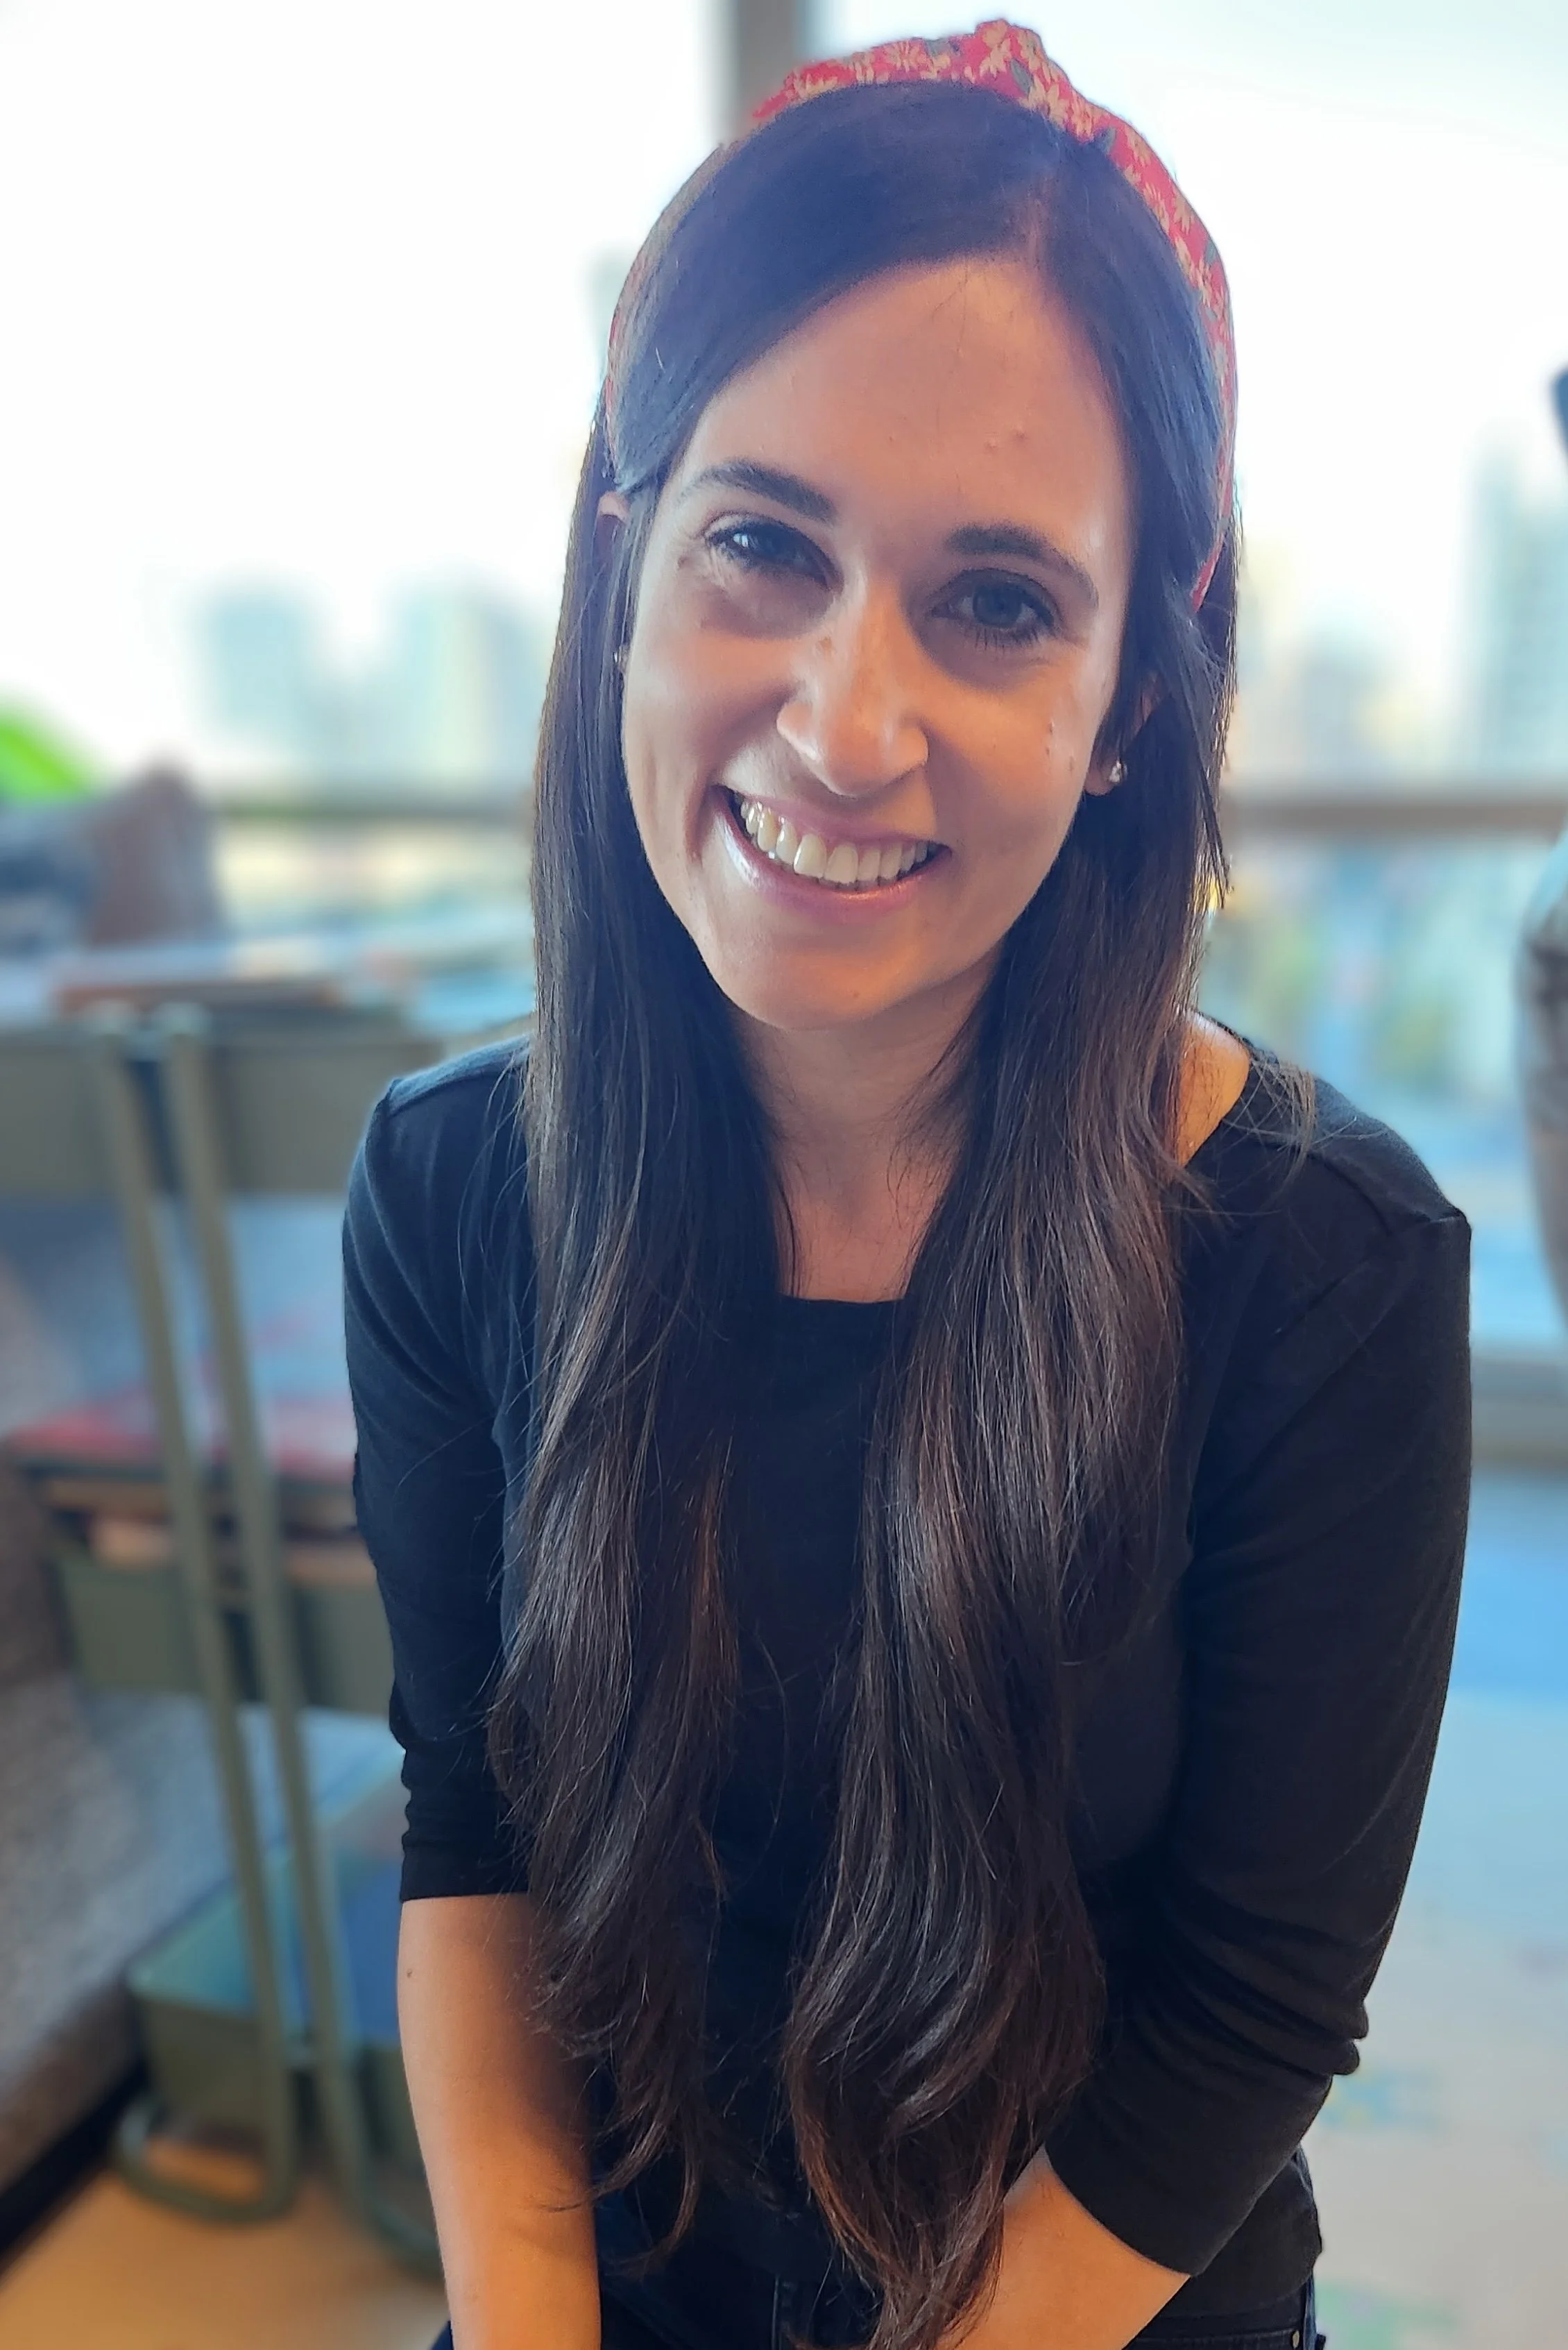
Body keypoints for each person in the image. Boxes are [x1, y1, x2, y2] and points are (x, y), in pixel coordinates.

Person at [343, 24, 1472, 2350]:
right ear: (625, 561)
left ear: (1133, 696)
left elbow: (1246, 2018)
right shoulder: (454, 1185)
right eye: (762, 543)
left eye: (994, 602)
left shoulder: (1324, 1268)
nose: (846, 727)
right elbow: (476, 1837)